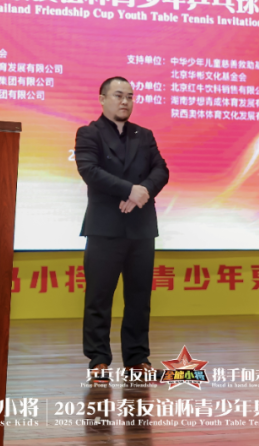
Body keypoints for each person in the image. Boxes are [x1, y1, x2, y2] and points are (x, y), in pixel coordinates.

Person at [74, 76, 170, 382]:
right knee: (99, 297)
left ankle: (137, 360)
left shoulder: (145, 135)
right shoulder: (89, 133)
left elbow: (161, 170)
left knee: (139, 298)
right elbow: (90, 171)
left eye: (129, 96)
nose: (125, 101)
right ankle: (99, 361)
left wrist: (143, 192)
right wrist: (130, 190)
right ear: (102, 99)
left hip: (141, 227)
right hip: (105, 227)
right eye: (118, 95)